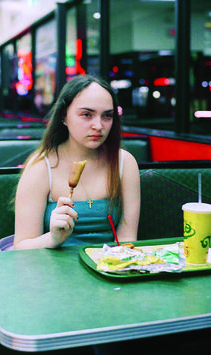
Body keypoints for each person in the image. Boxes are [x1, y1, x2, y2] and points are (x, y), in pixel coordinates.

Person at [13, 74, 140, 250]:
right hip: (54, 270)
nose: (98, 125)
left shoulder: (124, 162)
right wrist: (53, 238)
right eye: (87, 114)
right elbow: (21, 245)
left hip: (110, 269)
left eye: (107, 116)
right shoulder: (42, 167)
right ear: (64, 116)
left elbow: (128, 238)